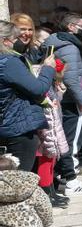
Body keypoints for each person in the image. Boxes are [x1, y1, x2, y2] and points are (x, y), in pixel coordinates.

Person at [0, 21, 57, 173]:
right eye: (14, 39)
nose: (17, 42)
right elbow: (38, 89)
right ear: (5, 41)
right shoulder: (8, 62)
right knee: (19, 181)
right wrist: (48, 69)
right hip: (16, 128)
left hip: (7, 125)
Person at [45, 12, 82, 193]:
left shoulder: (55, 42)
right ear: (71, 27)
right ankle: (70, 179)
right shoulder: (70, 48)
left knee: (63, 137)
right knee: (71, 140)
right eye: (81, 26)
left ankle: (62, 175)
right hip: (71, 101)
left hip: (61, 99)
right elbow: (73, 78)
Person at [35, 58, 71, 207]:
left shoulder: (50, 83)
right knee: (46, 161)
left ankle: (51, 192)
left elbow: (56, 103)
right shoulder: (44, 82)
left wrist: (59, 92)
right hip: (46, 129)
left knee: (51, 161)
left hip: (52, 126)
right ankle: (46, 196)